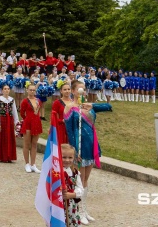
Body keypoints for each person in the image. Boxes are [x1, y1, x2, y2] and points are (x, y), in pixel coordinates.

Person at [65, 80, 99, 225]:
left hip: (90, 145)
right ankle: (77, 211)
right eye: (79, 89)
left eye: (84, 89)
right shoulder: (70, 108)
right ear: (73, 91)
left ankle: (84, 210)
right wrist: (74, 149)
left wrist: (92, 106)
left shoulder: (88, 107)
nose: (82, 92)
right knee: (79, 180)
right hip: (79, 148)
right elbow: (70, 130)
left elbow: (108, 107)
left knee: (86, 181)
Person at [20, 83, 42, 173]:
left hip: (36, 122)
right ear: (27, 90)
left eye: (34, 90)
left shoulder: (38, 100)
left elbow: (38, 111)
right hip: (28, 122)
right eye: (31, 90)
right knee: (27, 144)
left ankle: (33, 164)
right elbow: (22, 113)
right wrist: (27, 119)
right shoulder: (25, 101)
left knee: (34, 144)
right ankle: (27, 163)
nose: (32, 91)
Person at [61, 144, 84, 227]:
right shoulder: (55, 173)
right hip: (59, 206)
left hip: (71, 206)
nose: (67, 160)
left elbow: (81, 189)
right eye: (64, 157)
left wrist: (71, 194)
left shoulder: (75, 173)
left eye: (70, 157)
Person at [0, 84, 19, 163]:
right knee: (3, 137)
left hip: (10, 120)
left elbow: (14, 111)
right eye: (5, 89)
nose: (6, 90)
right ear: (2, 90)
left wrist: (16, 122)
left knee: (10, 137)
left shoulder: (12, 100)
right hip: (3, 119)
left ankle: (10, 156)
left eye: (8, 89)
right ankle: (3, 156)